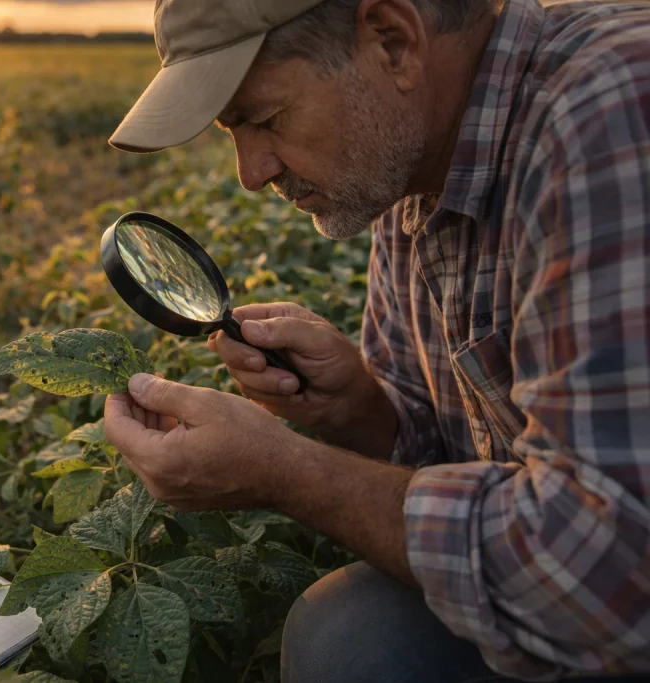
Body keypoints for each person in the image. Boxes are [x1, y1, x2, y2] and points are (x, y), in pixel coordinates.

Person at [100, 0, 650, 681]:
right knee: (349, 634)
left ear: (392, 41)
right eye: (231, 131)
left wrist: (289, 471)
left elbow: (611, 575)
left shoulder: (609, 109)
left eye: (268, 119)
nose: (251, 172)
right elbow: (468, 463)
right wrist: (360, 410)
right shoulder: (406, 166)